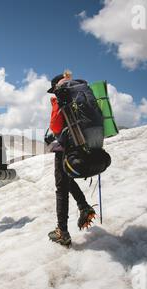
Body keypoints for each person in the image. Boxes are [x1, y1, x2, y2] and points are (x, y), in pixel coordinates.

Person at [46, 70, 97, 247]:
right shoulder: (82, 92)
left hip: (66, 147)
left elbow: (56, 125)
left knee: (61, 186)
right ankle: (84, 206)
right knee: (66, 179)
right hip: (83, 143)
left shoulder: (61, 94)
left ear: (55, 87)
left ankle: (62, 231)